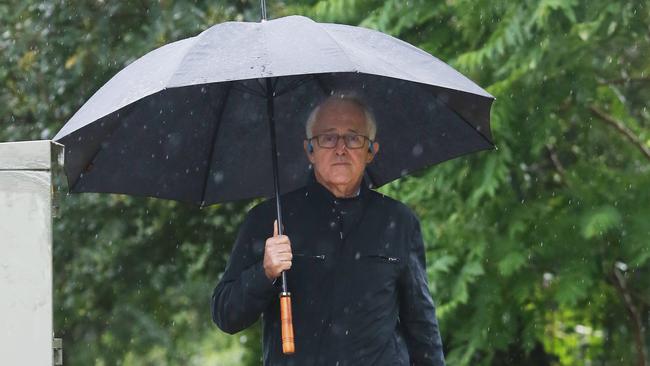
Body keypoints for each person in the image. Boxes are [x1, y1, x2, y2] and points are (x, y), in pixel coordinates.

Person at [211, 93, 445, 365]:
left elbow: (422, 325)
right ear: (310, 150)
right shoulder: (270, 220)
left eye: (354, 138)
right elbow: (225, 314)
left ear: (371, 151)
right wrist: (264, 273)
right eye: (328, 138)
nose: (341, 148)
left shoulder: (399, 221)